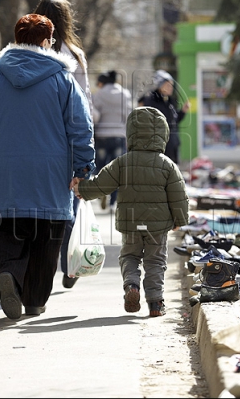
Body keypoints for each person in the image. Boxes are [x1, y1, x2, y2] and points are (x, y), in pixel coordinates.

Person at [0, 13, 94, 320]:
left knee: (9, 230)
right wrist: (83, 168)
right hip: (51, 173)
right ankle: (34, 299)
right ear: (48, 42)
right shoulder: (63, 80)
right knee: (47, 238)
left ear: (16, 40)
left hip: (6, 173)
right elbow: (80, 127)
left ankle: (8, 272)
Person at [72, 106, 188, 317]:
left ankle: (131, 286)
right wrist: (179, 219)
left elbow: (102, 184)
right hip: (157, 225)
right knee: (155, 261)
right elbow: (178, 196)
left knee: (130, 256)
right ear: (163, 134)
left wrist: (82, 189)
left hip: (131, 222)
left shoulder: (122, 163)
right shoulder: (168, 165)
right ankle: (155, 303)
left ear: (131, 134)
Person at [33, 0, 92, 290]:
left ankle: (34, 266)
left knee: (34, 206)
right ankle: (70, 264)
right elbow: (85, 106)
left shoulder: (26, 51)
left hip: (32, 138)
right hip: (67, 142)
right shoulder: (76, 55)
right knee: (69, 201)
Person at [92, 70, 133, 210]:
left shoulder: (99, 94)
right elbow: (129, 116)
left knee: (101, 167)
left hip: (102, 135)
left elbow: (94, 115)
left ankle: (102, 190)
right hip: (119, 136)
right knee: (117, 170)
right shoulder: (125, 94)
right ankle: (113, 202)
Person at [138, 70, 189, 165]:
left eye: (172, 85)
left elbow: (175, 120)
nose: (171, 88)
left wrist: (183, 111)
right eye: (168, 85)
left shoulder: (170, 101)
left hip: (172, 144)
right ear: (160, 86)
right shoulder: (151, 100)